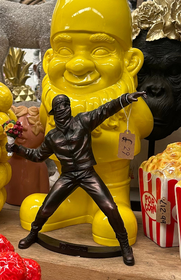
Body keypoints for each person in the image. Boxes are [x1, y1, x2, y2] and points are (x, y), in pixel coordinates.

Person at [13, 90, 146, 264]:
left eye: (64, 106)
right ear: (54, 113)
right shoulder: (52, 136)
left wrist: (124, 99)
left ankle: (125, 245)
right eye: (58, 108)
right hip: (68, 175)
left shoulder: (82, 121)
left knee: (109, 207)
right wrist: (17, 149)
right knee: (46, 207)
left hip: (86, 172)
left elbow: (105, 110)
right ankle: (33, 233)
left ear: (69, 109)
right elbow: (38, 156)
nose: (62, 110)